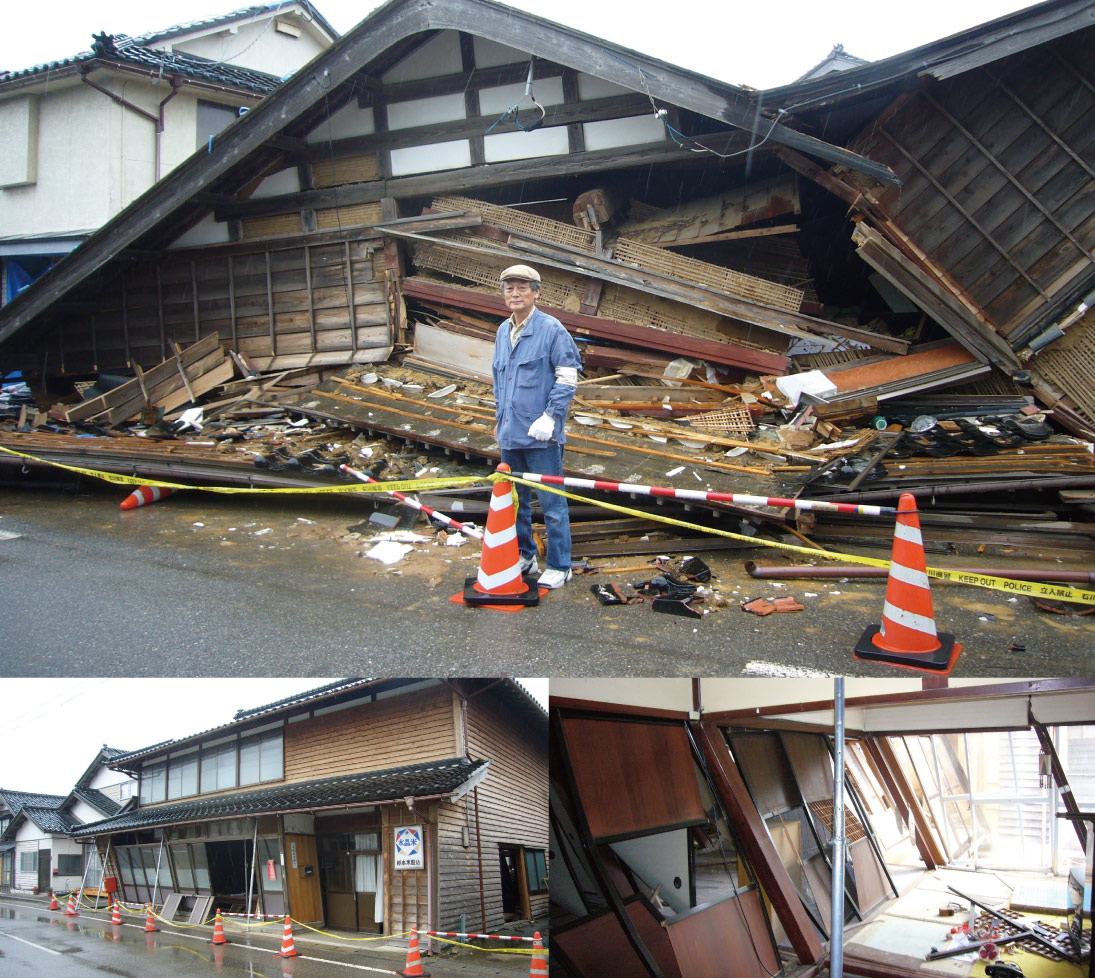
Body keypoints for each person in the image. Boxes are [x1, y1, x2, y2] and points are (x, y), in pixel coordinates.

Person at [492, 264, 582, 589]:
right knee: (515, 502)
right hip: (511, 434)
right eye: (509, 288)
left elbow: (568, 376)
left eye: (521, 287)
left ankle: (560, 565)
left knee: (552, 504)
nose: (514, 293)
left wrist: (552, 416)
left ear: (536, 292)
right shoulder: (503, 331)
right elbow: (499, 380)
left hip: (542, 436)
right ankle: (525, 554)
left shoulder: (552, 329)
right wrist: (498, 421)